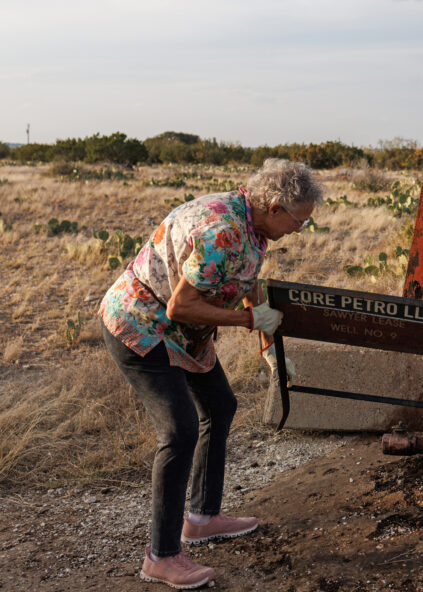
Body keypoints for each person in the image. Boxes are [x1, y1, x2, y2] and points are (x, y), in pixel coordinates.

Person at [99, 158, 322, 589]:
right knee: (179, 431)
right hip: (142, 326)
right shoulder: (223, 231)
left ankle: (202, 517)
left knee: (220, 405)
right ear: (275, 207)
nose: (300, 230)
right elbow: (178, 306)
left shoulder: (254, 225)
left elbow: (247, 278)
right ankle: (160, 557)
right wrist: (249, 323)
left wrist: (268, 349)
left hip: (183, 334)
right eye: (299, 221)